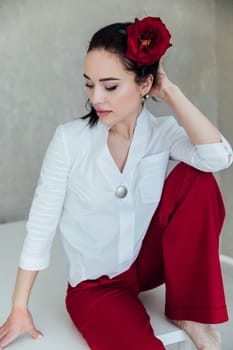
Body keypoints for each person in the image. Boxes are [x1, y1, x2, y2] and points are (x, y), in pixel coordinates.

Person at [0, 16, 232, 350]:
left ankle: (189, 311)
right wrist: (19, 307)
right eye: (89, 84)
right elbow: (41, 224)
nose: (97, 98)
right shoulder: (70, 141)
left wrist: (169, 91)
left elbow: (219, 158)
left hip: (148, 262)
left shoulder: (161, 133)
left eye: (110, 86)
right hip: (96, 287)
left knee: (199, 179)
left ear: (143, 85)